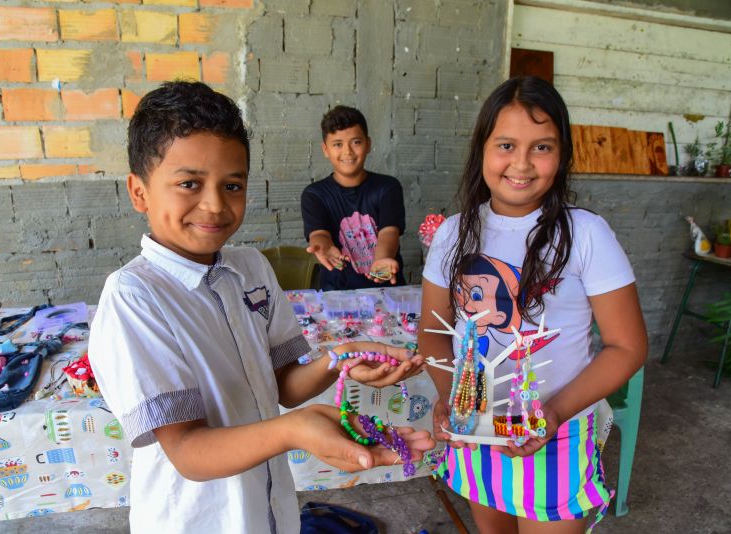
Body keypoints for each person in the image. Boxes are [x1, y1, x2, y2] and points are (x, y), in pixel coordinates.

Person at [87, 82, 433, 533]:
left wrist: (341, 359)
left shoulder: (251, 268)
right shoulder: (135, 296)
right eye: (189, 183)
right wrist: (296, 430)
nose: (214, 204)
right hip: (198, 520)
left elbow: (284, 385)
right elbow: (188, 449)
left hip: (269, 508)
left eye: (233, 185)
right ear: (139, 192)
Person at [418, 76, 648, 533]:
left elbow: (627, 346)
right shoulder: (452, 233)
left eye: (541, 147)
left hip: (557, 436)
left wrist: (555, 413)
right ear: (482, 148)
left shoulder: (585, 235)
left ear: (561, 156)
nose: (521, 163)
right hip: (478, 434)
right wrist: (452, 400)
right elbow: (433, 331)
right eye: (506, 144)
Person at [301, 105, 407, 290]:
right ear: (325, 149)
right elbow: (319, 234)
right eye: (338, 144)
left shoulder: (388, 187)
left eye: (356, 142)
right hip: (337, 297)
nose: (348, 152)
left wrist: (382, 263)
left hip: (385, 292)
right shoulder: (314, 194)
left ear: (368, 144)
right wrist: (323, 246)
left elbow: (389, 232)